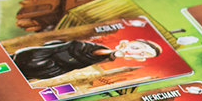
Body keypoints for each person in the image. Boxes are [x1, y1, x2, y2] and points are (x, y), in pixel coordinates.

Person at [12, 38, 162, 83]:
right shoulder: (97, 50)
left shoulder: (105, 58)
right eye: (136, 48)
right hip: (41, 59)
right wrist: (114, 53)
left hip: (48, 69)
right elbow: (91, 52)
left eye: (142, 54)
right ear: (126, 43)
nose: (135, 52)